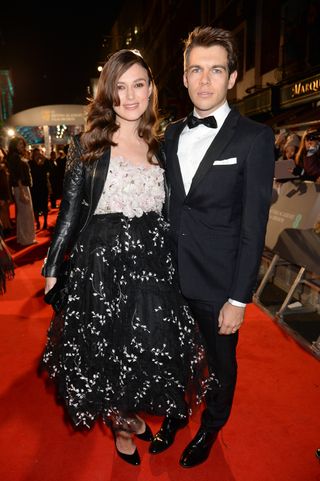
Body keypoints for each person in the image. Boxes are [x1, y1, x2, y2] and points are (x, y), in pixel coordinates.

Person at [41, 49, 214, 467]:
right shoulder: (89, 144)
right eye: (120, 87)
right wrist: (51, 268)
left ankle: (129, 418)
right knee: (106, 351)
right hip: (100, 266)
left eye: (138, 85)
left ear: (151, 89)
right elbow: (68, 213)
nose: (130, 96)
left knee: (144, 349)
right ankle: (124, 427)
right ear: (108, 93)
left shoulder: (163, 144)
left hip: (153, 267)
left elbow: (178, 209)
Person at [149, 26, 275, 468]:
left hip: (219, 283)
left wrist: (239, 298)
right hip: (168, 277)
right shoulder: (167, 136)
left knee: (220, 366)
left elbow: (253, 226)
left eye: (215, 70)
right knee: (172, 355)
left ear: (233, 76)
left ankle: (211, 425)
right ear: (184, 78)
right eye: (196, 70)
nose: (205, 80)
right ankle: (175, 413)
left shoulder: (254, 138)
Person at [7, 137, 36, 246]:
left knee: (22, 214)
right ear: (14, 145)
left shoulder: (14, 156)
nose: (22, 146)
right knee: (26, 214)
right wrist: (22, 192)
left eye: (22, 144)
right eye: (19, 144)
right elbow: (17, 175)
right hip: (21, 187)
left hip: (19, 187)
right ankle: (27, 239)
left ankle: (22, 238)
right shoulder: (15, 157)